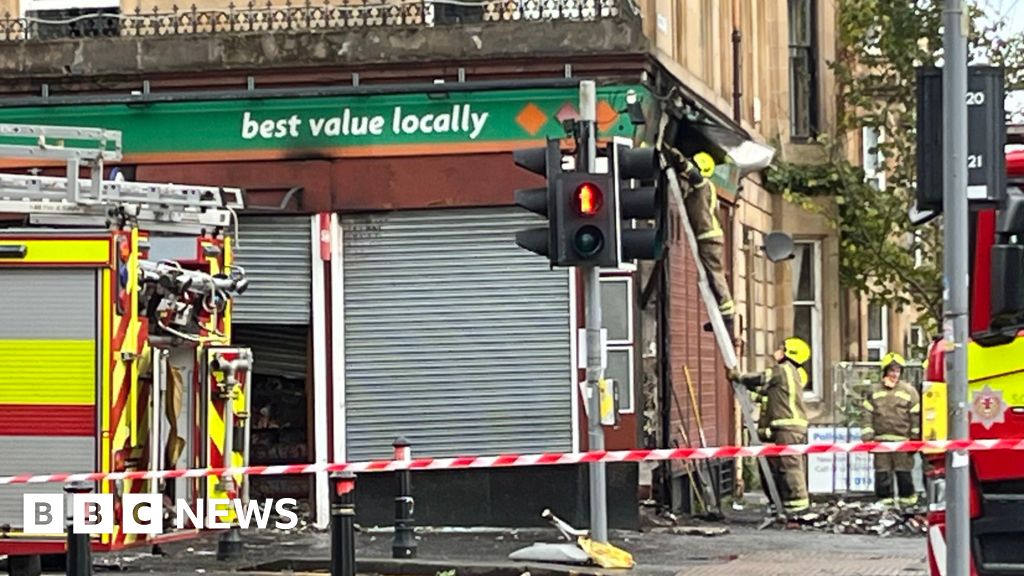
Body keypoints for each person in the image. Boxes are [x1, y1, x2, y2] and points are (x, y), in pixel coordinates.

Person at [728, 337, 812, 515]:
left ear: (790, 353)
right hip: (786, 427)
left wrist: (739, 377)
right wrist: (743, 386)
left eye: (782, 347)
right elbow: (763, 391)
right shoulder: (788, 373)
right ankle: (785, 506)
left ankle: (799, 508)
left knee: (790, 467)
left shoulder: (782, 370)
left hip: (788, 426)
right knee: (782, 467)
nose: (778, 350)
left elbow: (761, 378)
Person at [661, 146, 736, 342]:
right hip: (707, 236)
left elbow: (691, 172)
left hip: (708, 237)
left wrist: (673, 153)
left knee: (714, 276)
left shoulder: (703, 185)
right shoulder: (702, 189)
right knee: (710, 277)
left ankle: (727, 318)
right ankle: (721, 316)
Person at [861, 352, 921, 507]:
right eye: (892, 370)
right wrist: (867, 437)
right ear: (885, 371)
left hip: (903, 442)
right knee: (882, 473)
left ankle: (907, 504)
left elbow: (915, 416)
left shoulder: (909, 391)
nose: (894, 374)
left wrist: (915, 439)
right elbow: (867, 414)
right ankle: (884, 505)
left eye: (897, 371)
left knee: (904, 474)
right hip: (880, 442)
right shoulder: (874, 391)